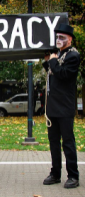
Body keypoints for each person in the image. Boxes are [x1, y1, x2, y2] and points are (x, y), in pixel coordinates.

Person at [42, 24, 80, 188]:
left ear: (70, 39)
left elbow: (63, 74)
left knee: (68, 142)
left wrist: (52, 61)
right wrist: (48, 61)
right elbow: (52, 72)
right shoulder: (57, 55)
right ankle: (55, 173)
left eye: (62, 37)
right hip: (52, 107)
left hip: (65, 106)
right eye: (57, 37)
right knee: (53, 143)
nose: (58, 40)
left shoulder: (73, 56)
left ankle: (73, 175)